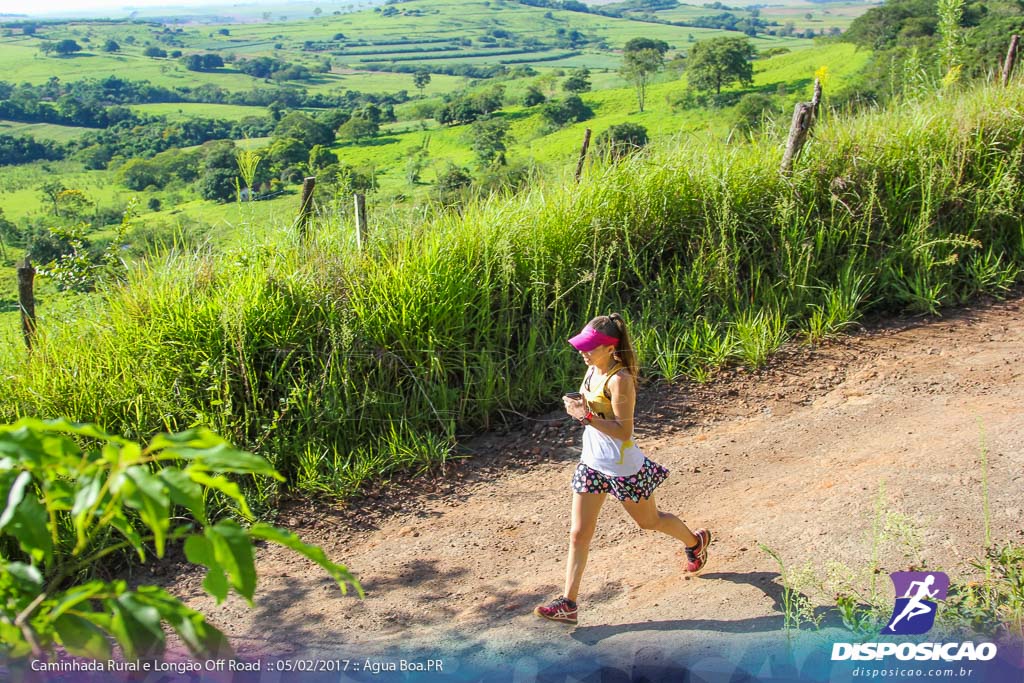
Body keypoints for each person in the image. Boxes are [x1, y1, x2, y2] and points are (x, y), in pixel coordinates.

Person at [534, 313, 712, 625]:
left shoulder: (620, 380)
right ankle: (569, 603)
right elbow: (593, 411)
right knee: (578, 534)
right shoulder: (592, 369)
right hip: (592, 463)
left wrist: (584, 417)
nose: (582, 351)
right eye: (582, 345)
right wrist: (581, 408)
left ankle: (695, 543)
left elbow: (623, 431)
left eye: (589, 347)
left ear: (610, 347)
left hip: (622, 468)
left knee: (650, 521)